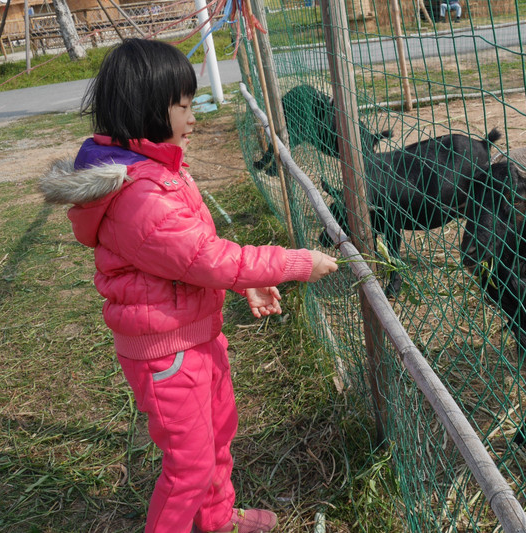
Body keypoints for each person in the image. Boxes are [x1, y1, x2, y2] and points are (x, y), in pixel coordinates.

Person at [39, 38, 338, 533]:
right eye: (183, 106)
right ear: (149, 110)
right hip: (166, 352)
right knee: (189, 466)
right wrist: (292, 263)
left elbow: (193, 256)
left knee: (218, 433)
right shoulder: (140, 197)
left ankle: (217, 519)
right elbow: (208, 257)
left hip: (194, 331)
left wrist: (243, 286)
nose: (193, 116)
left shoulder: (159, 172)